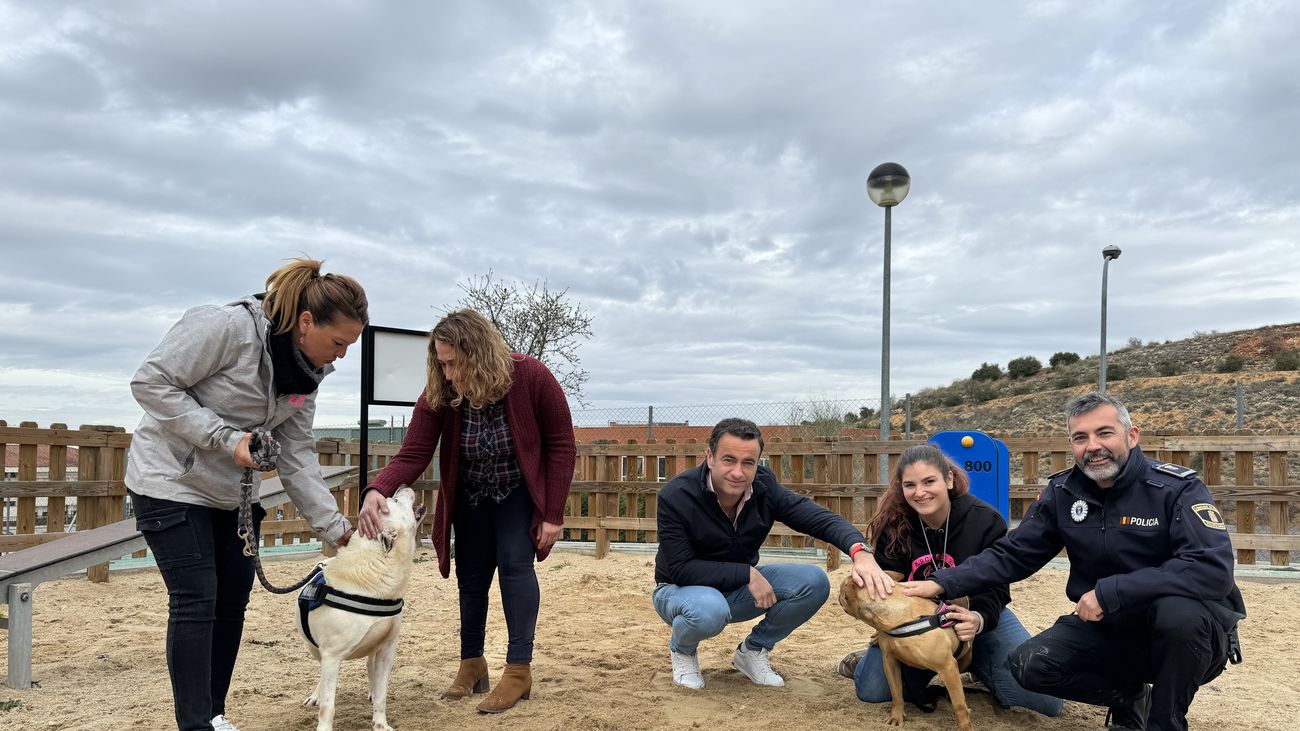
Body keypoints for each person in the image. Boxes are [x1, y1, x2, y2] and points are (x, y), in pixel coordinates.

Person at [903, 392, 1245, 730]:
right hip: (1111, 627)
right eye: (1080, 437)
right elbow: (1014, 554)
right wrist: (944, 582)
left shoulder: (1175, 489)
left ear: (1132, 435)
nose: (1092, 446)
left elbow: (1211, 569)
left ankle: (1165, 721)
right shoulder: (1064, 492)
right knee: (1029, 666)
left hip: (1186, 637)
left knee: (1179, 616)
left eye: (1104, 433)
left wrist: (1110, 592)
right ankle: (1130, 697)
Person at [126, 258, 366, 731]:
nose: (340, 357)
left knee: (233, 598)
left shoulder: (306, 376)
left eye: (349, 347)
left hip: (233, 496)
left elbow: (297, 453)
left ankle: (213, 715)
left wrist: (337, 529)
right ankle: (194, 724)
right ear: (305, 322)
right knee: (197, 597)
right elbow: (150, 382)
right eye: (338, 343)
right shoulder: (228, 328)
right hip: (171, 481)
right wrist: (223, 437)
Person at [359, 308, 575, 714]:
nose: (448, 372)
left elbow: (562, 443)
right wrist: (378, 489)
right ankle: (472, 663)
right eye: (441, 362)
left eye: (454, 362)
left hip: (517, 493)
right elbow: (414, 453)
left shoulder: (531, 376)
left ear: (480, 353)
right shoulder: (441, 391)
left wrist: (553, 513)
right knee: (470, 577)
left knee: (515, 567)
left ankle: (518, 670)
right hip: (471, 495)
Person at [653, 417, 893, 690]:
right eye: (728, 460)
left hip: (735, 588)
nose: (738, 472)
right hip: (679, 591)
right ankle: (682, 650)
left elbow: (818, 519)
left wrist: (860, 552)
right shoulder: (676, 496)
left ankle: (753, 650)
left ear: (758, 464)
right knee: (708, 609)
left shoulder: (764, 488)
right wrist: (745, 573)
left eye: (748, 463)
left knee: (813, 582)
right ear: (710, 457)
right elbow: (681, 569)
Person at [838, 444, 1063, 717]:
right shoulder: (895, 525)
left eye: (929, 481)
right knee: (873, 690)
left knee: (1044, 703)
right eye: (910, 485)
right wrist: (883, 619)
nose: (920, 492)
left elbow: (998, 587)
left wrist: (979, 619)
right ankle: (862, 661)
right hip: (915, 625)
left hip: (975, 615)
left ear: (949, 479)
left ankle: (976, 663)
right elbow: (886, 585)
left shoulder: (984, 520)